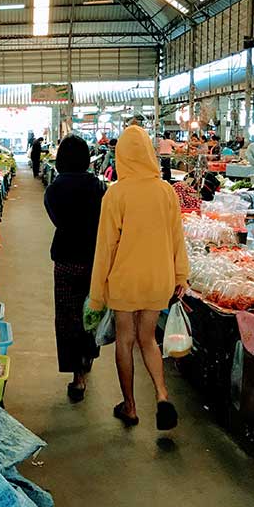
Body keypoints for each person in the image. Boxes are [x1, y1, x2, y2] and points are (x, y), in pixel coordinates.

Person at [87, 123, 189, 431]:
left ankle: (130, 406)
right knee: (148, 340)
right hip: (159, 279)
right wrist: (181, 275)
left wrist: (96, 294)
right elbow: (177, 238)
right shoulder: (166, 191)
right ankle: (161, 394)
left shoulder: (116, 194)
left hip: (125, 280)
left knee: (125, 340)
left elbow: (105, 247)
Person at [44, 136, 105, 401]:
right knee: (90, 314)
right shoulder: (98, 187)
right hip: (94, 260)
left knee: (68, 317)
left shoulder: (54, 189)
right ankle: (88, 356)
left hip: (66, 260)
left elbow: (57, 219)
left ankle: (77, 377)